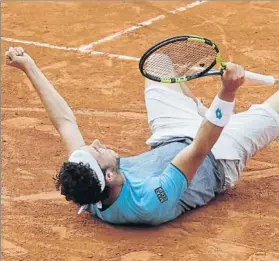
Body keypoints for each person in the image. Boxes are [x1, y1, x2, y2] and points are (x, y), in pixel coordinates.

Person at [6, 47, 279, 226]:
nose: (97, 143)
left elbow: (64, 122)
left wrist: (28, 66)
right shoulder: (148, 201)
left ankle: (197, 109)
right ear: (109, 176)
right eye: (97, 150)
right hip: (217, 156)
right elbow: (200, 147)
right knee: (274, 111)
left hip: (169, 136)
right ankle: (203, 112)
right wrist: (227, 92)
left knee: (158, 64)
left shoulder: (88, 183)